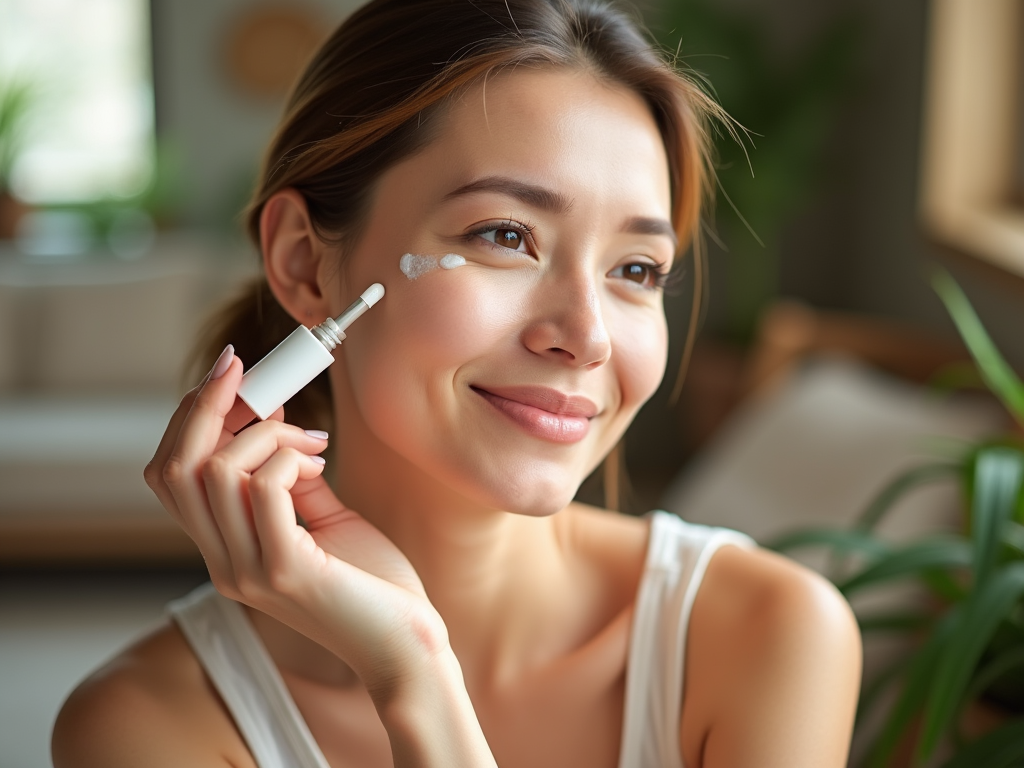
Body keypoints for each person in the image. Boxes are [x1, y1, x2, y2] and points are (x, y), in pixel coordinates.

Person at [52, 0, 861, 766]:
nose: (586, 337)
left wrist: (418, 680)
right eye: (506, 235)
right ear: (304, 261)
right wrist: (411, 668)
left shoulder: (768, 635)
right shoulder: (147, 726)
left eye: (636, 269)